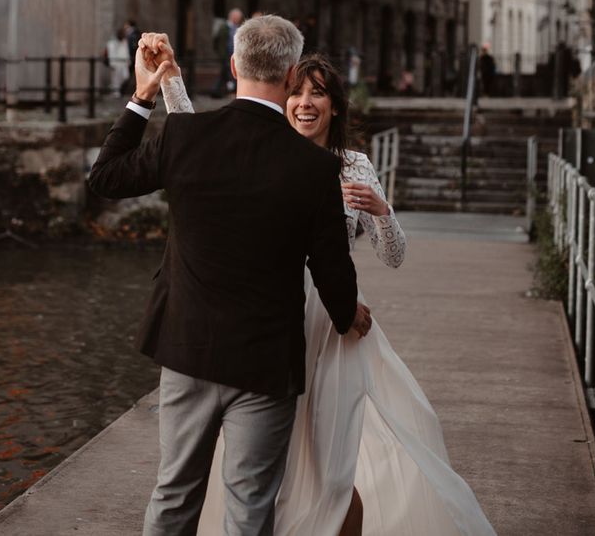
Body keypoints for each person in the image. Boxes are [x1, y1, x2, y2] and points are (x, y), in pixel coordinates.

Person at [154, 49, 497, 535]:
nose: (305, 102)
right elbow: (196, 141)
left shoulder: (354, 165)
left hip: (334, 328)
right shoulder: (262, 152)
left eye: (318, 94)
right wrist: (171, 79)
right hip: (269, 324)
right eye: (297, 91)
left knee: (334, 469)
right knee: (266, 466)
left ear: (335, 106)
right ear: (283, 96)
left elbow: (394, 256)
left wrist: (383, 210)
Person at [88, 15, 368, 536]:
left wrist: (143, 95)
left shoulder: (186, 135)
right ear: (290, 77)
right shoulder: (314, 168)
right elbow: (333, 272)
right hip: (265, 362)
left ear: (235, 65)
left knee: (173, 496)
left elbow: (104, 177)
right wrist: (349, 316)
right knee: (249, 509)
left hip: (187, 345)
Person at [211, 8, 243, 97]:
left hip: (234, 54)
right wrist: (220, 53)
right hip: (225, 55)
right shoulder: (224, 27)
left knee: (225, 73)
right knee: (228, 73)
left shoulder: (237, 27)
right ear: (232, 17)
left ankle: (217, 91)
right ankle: (226, 90)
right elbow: (217, 41)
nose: (238, 19)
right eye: (237, 17)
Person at [105, 27, 131, 96]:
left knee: (125, 76)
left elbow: (126, 51)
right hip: (116, 63)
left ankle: (113, 88)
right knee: (115, 79)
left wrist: (128, 61)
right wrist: (112, 63)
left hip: (123, 63)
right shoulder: (112, 43)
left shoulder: (124, 41)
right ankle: (115, 92)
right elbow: (111, 53)